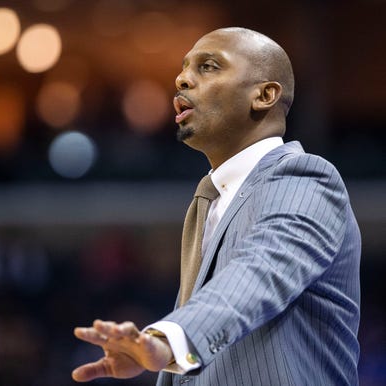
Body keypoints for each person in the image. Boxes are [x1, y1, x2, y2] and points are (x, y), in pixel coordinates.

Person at [72, 27, 361, 386]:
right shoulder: (211, 201)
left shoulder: (304, 177)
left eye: (208, 67)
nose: (181, 79)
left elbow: (260, 272)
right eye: (183, 68)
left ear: (265, 95)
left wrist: (168, 342)